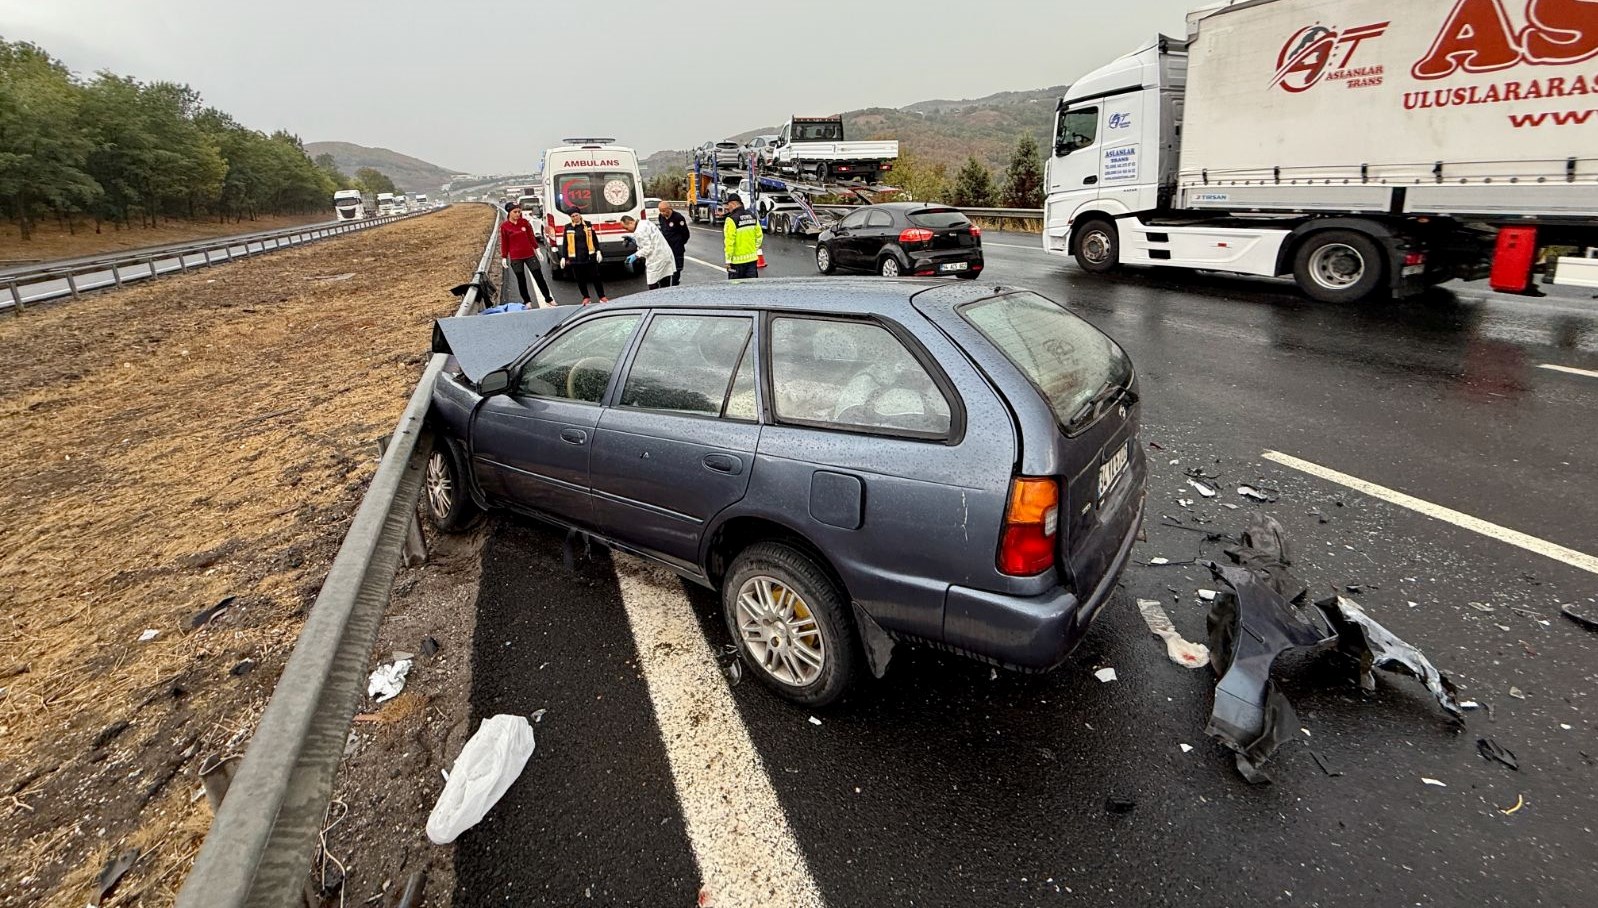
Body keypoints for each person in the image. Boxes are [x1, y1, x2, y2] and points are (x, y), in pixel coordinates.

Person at [498, 203, 555, 307]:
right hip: (516, 257)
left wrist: (537, 249)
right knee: (521, 280)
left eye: (519, 212)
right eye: (515, 212)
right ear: (509, 213)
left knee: (539, 276)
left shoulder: (525, 223)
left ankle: (548, 298)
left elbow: (531, 237)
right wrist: (504, 257)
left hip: (529, 254)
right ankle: (527, 301)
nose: (517, 214)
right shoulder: (505, 227)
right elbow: (504, 243)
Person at [560, 210, 607, 304]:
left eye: (576, 215)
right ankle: (586, 297)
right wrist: (564, 257)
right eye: (572, 216)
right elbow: (565, 243)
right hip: (575, 258)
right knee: (580, 278)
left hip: (589, 255)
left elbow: (594, 238)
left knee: (595, 276)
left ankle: (602, 296)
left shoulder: (588, 225)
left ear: (580, 215)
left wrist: (598, 250)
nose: (575, 217)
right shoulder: (568, 227)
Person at [621, 214, 673, 289]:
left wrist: (635, 255)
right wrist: (634, 239)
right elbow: (649, 238)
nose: (627, 230)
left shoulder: (639, 231)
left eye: (626, 228)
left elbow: (647, 249)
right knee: (665, 284)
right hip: (664, 254)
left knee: (652, 285)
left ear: (631, 222)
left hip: (656, 258)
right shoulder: (644, 222)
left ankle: (658, 300)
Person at [722, 193, 761, 279]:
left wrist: (728, 260)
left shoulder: (731, 219)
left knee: (736, 290)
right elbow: (759, 236)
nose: (728, 208)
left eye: (728, 205)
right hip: (752, 260)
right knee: (752, 289)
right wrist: (754, 249)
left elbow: (729, 242)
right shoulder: (752, 216)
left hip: (737, 263)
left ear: (733, 204)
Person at [657, 200, 690, 286]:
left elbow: (685, 234)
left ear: (669, 208)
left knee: (676, 270)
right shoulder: (661, 217)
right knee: (666, 269)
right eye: (660, 211)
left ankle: (675, 286)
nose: (662, 213)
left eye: (664, 211)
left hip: (677, 248)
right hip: (666, 249)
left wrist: (679, 242)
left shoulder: (678, 218)